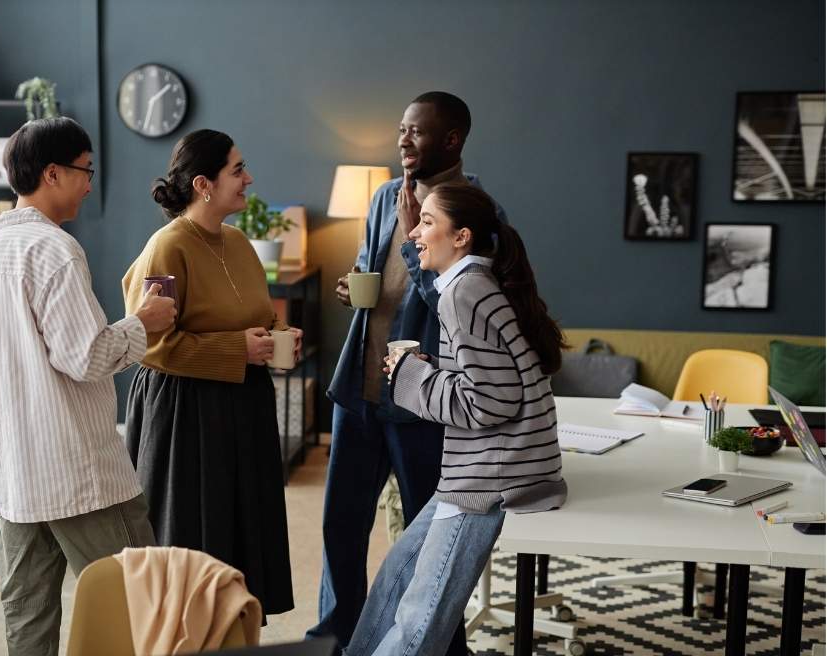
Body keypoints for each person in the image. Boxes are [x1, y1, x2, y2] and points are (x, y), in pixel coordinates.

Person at [0, 116, 177, 656]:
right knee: (142, 600)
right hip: (75, 468)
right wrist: (144, 321)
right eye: (85, 171)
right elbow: (88, 356)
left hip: (11, 471)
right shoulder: (54, 251)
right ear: (52, 173)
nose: (91, 183)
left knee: (27, 616)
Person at [310, 91, 507, 648]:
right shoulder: (383, 198)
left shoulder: (477, 212)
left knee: (430, 542)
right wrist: (354, 285)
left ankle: (442, 644)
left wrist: (415, 247)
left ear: (452, 140)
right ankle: (335, 638)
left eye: (415, 132)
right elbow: (370, 270)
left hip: (423, 404)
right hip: (360, 394)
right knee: (340, 529)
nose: (402, 140)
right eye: (401, 129)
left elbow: (465, 308)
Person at [345, 181, 568, 655]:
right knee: (397, 578)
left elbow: (489, 403)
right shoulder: (476, 285)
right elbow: (491, 383)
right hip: (483, 468)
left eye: (426, 223)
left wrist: (410, 375)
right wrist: (431, 371)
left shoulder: (462, 294)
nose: (413, 236)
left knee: (419, 618)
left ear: (461, 236)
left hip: (490, 476)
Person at [122, 129, 299, 617]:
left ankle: (237, 634)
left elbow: (255, 313)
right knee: (193, 537)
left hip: (244, 404)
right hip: (187, 413)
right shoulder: (167, 248)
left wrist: (280, 332)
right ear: (203, 183)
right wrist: (236, 349)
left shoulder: (240, 242)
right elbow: (152, 345)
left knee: (244, 531)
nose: (249, 178)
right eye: (237, 169)